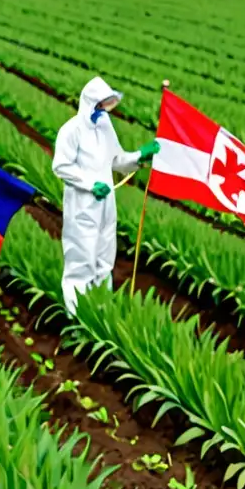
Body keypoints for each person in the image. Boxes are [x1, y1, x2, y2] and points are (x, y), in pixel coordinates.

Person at [52, 76, 160, 315]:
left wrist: (140, 156)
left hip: (106, 204)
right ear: (89, 103)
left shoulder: (105, 127)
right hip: (82, 206)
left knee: (103, 259)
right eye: (101, 105)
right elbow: (61, 166)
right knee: (81, 262)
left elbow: (117, 160)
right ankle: (78, 318)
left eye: (107, 105)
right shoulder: (71, 131)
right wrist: (90, 184)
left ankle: (102, 314)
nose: (103, 111)